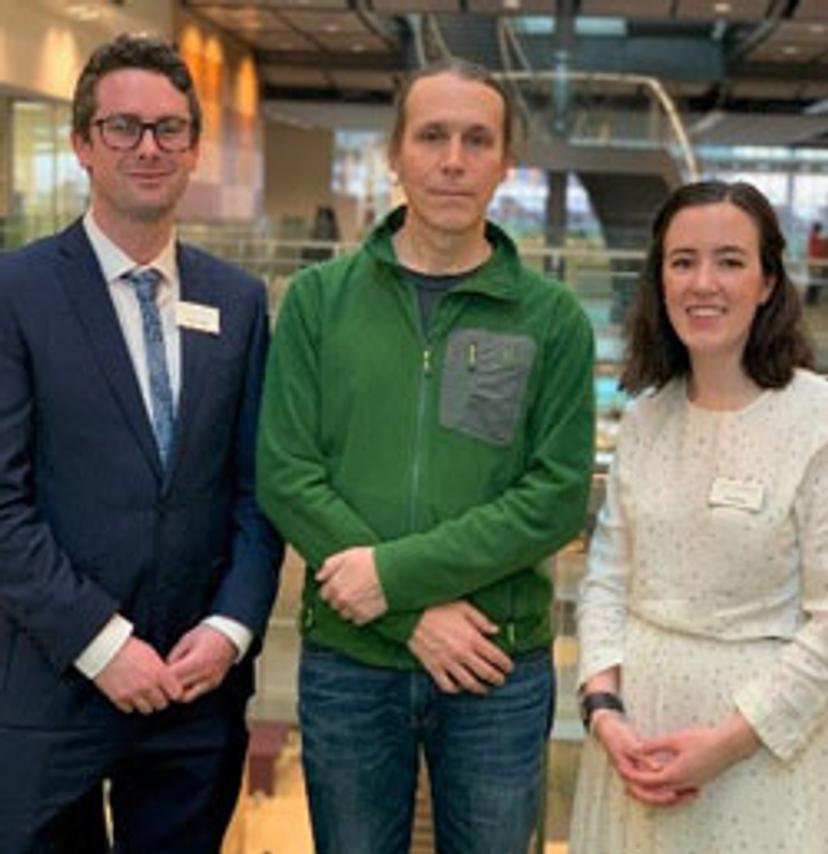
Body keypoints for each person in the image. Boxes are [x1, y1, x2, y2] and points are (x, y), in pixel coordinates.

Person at [256, 59, 595, 853]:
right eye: (432, 136)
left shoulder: (551, 321)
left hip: (494, 666)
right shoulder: (317, 302)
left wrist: (393, 580)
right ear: (395, 154)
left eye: (477, 140)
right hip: (349, 664)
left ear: (506, 161)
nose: (453, 159)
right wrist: (410, 614)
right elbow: (287, 474)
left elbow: (552, 496)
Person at [0, 34, 281, 853]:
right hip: (53, 689)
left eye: (168, 129)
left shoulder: (237, 301)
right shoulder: (15, 293)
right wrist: (103, 643)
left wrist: (232, 627)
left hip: (197, 696)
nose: (148, 147)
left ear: (194, 148)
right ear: (83, 144)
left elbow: (257, 493)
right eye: (123, 127)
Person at [570, 180, 826, 853]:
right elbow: (604, 583)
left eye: (729, 261)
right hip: (635, 750)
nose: (702, 283)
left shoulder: (816, 420)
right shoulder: (647, 417)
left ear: (768, 281)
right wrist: (604, 713)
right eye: (682, 261)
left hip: (762, 757)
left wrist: (726, 745)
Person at [805, 220, 827, 305]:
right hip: (817, 263)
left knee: (815, 282)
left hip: (816, 262)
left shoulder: (814, 237)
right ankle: (811, 299)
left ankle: (812, 299)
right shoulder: (815, 238)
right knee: (815, 282)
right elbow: (820, 250)